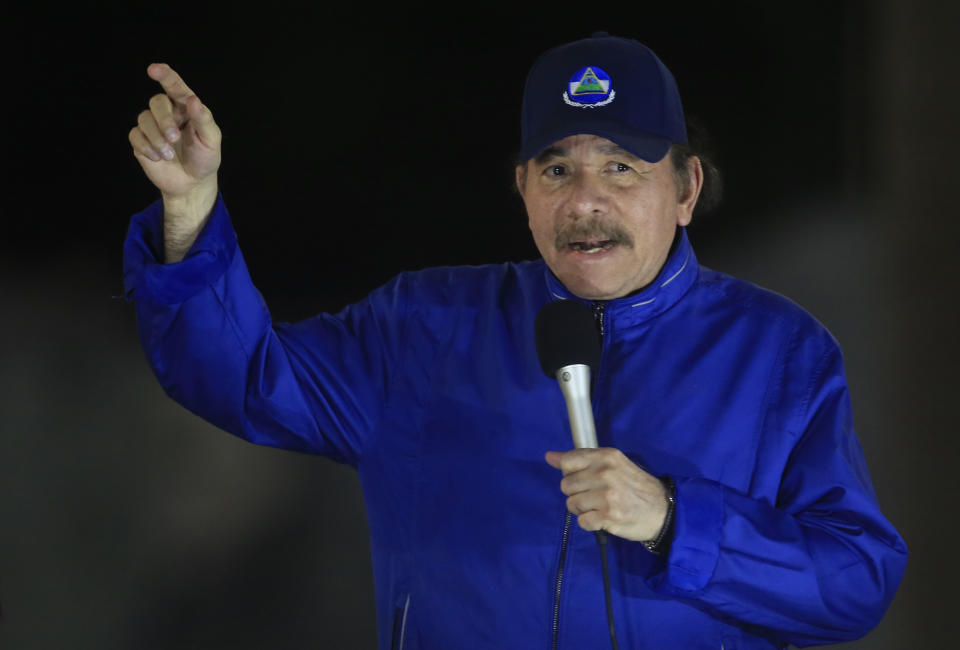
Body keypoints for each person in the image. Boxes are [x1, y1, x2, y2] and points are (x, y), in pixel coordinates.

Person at [124, 33, 907, 649]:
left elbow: (852, 582)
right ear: (523, 190)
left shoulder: (778, 353)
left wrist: (674, 521)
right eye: (557, 169)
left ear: (687, 189)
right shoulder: (424, 327)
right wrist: (189, 209)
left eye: (623, 167)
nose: (587, 200)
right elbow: (242, 378)